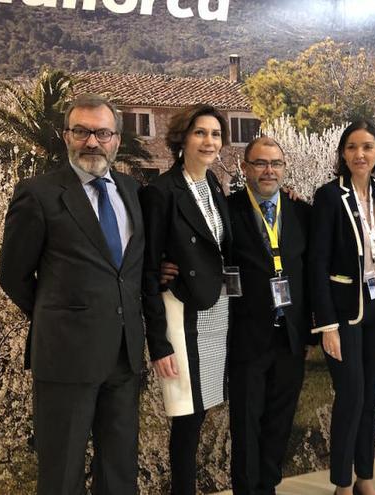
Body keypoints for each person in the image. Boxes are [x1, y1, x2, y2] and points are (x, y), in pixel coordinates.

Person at [0, 94, 144, 494]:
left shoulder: (131, 191)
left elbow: (129, 268)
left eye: (101, 133)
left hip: (124, 356)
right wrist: (62, 315)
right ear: (66, 136)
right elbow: (12, 276)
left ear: (116, 139)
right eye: (81, 131)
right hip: (65, 358)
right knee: (62, 476)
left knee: (120, 473)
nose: (91, 142)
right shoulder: (38, 194)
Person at [309, 120, 375, 495]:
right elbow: (317, 264)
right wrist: (327, 325)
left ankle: (365, 477)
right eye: (352, 147)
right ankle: (342, 484)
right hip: (344, 313)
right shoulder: (329, 197)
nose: (359, 154)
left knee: (369, 398)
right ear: (342, 153)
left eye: (367, 146)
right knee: (350, 396)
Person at [140, 104, 233, 495]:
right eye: (200, 133)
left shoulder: (214, 184)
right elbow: (147, 269)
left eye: (215, 134)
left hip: (215, 311)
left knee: (200, 413)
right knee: (185, 416)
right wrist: (157, 343)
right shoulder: (161, 191)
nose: (209, 141)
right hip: (179, 314)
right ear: (182, 138)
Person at [227, 136, 313, 494]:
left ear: (284, 168)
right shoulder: (226, 211)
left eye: (275, 163)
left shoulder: (301, 212)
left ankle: (269, 485)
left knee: (280, 421)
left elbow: (313, 270)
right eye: (260, 163)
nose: (268, 170)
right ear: (244, 167)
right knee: (246, 423)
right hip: (247, 336)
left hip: (290, 336)